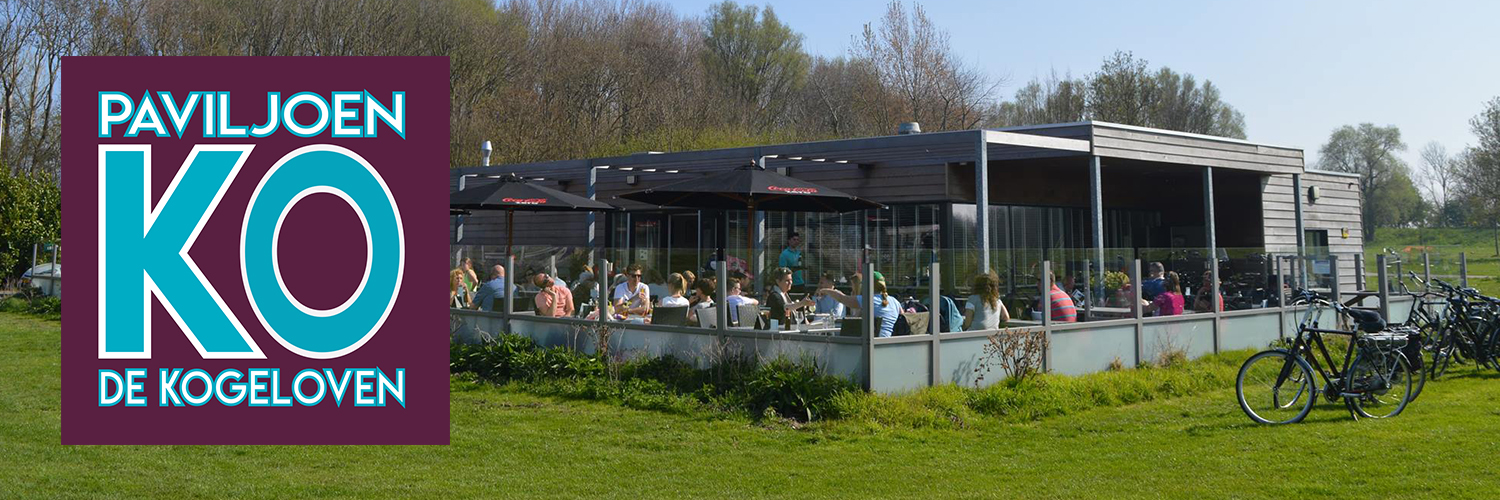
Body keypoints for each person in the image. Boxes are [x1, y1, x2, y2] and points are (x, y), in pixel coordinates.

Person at [820, 271, 901, 337]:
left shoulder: (867, 300)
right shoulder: (895, 301)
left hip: (869, 346)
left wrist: (825, 290)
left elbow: (842, 298)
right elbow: (904, 317)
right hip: (888, 343)